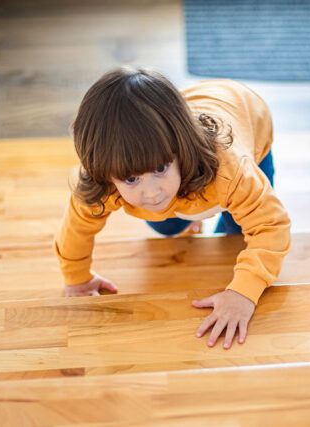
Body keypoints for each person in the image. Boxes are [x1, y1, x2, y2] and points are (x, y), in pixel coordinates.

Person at [54, 66, 291, 349]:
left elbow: (270, 226)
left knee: (237, 233)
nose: (152, 192)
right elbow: (76, 228)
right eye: (131, 180)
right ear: (106, 176)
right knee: (165, 224)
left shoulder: (232, 170)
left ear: (180, 146)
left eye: (160, 168)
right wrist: (76, 278)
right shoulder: (104, 181)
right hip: (188, 116)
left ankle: (220, 215)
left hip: (247, 116)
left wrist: (244, 292)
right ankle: (187, 209)